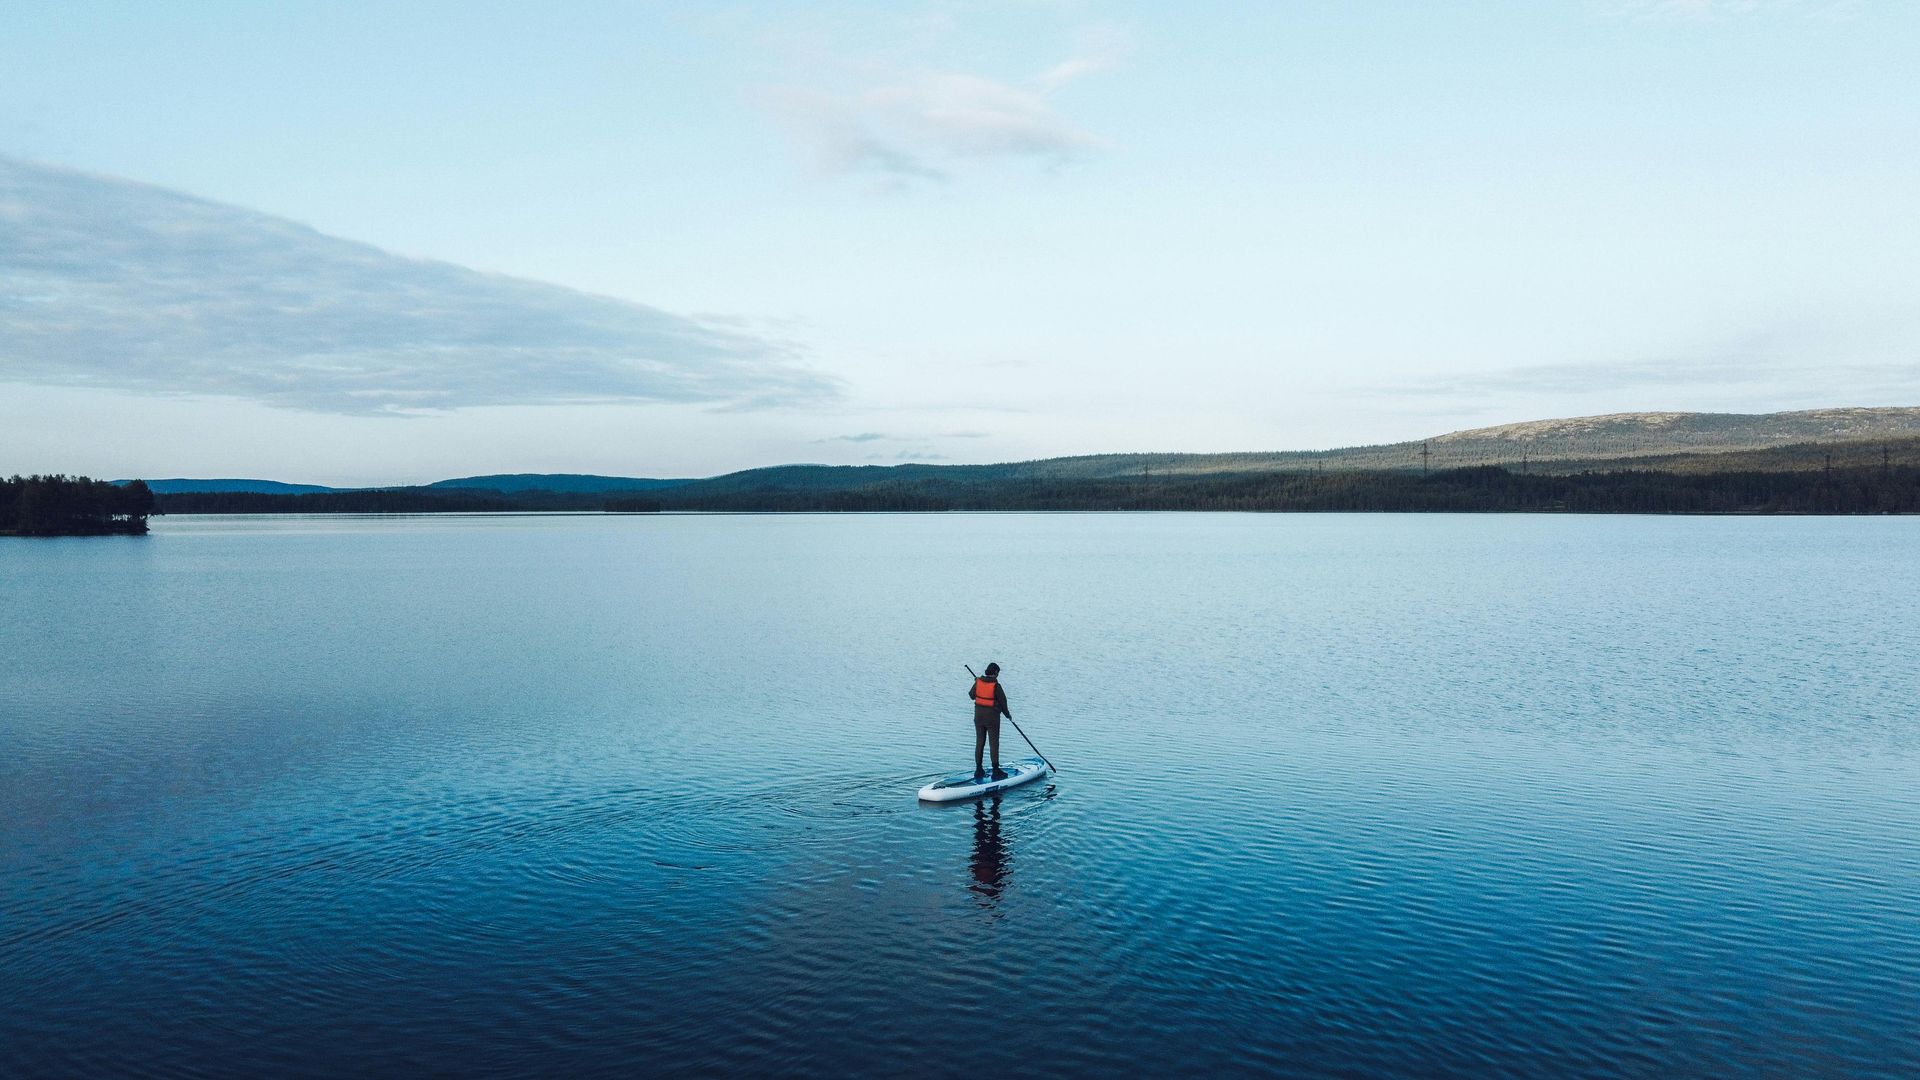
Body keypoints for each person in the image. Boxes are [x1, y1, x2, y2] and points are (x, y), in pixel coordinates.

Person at [968, 662, 1011, 780]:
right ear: (996, 673)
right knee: (994, 743)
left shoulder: (978, 682)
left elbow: (971, 695)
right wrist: (1008, 715)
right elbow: (1003, 702)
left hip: (978, 718)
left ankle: (978, 769)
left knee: (980, 742)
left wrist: (976, 683)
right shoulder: (996, 686)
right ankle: (996, 770)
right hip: (992, 719)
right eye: (998, 673)